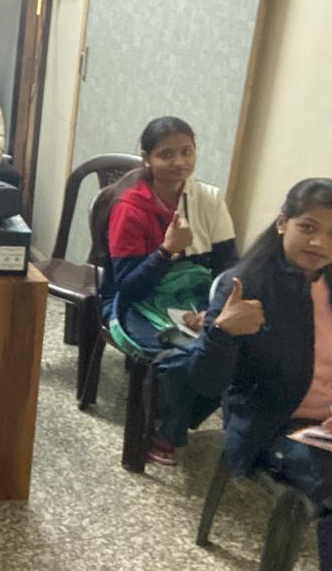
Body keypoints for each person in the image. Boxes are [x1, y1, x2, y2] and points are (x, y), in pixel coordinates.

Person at [162, 179, 332, 569]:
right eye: (308, 227)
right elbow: (205, 385)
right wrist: (222, 333)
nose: (320, 243)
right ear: (282, 223)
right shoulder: (244, 287)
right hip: (275, 428)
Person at [101, 116, 238, 464]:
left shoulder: (208, 199)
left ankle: (184, 414)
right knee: (173, 353)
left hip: (195, 294)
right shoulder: (130, 208)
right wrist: (166, 251)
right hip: (136, 299)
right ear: (147, 159)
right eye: (166, 154)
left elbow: (228, 266)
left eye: (187, 152)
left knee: (236, 343)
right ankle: (160, 429)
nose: (180, 162)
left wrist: (215, 309)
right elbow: (128, 287)